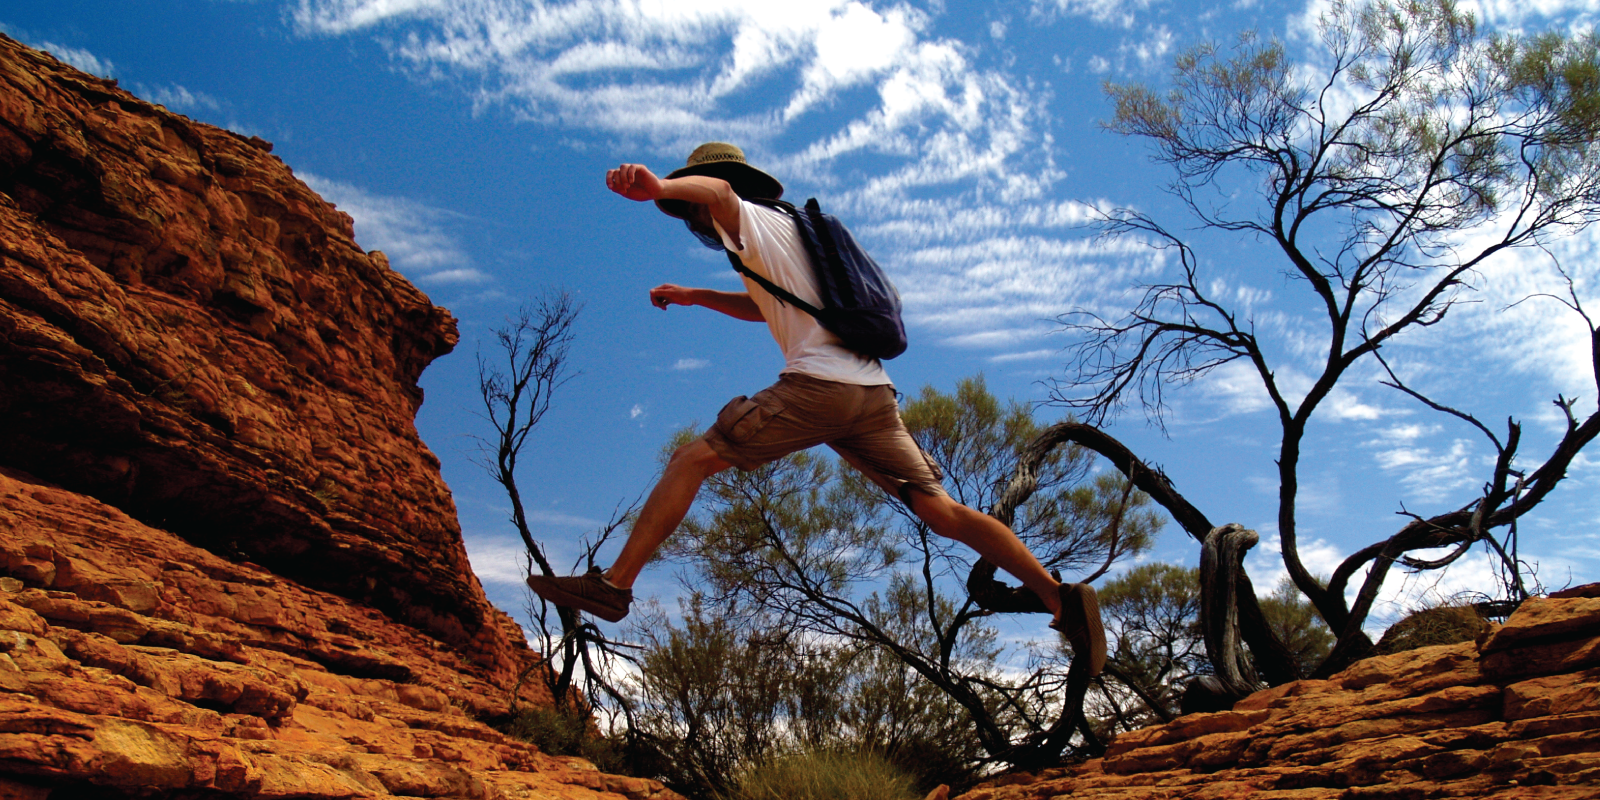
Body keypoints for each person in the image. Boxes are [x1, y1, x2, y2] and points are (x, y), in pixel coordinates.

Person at [526, 142, 1105, 674]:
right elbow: (769, 305)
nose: (695, 219)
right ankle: (1061, 598)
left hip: (819, 391)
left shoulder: (741, 213)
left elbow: (722, 195)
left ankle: (616, 586)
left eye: (691, 206)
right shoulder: (794, 232)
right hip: (872, 396)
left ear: (709, 189)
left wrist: (658, 188)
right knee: (942, 512)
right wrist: (696, 295)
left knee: (689, 461)